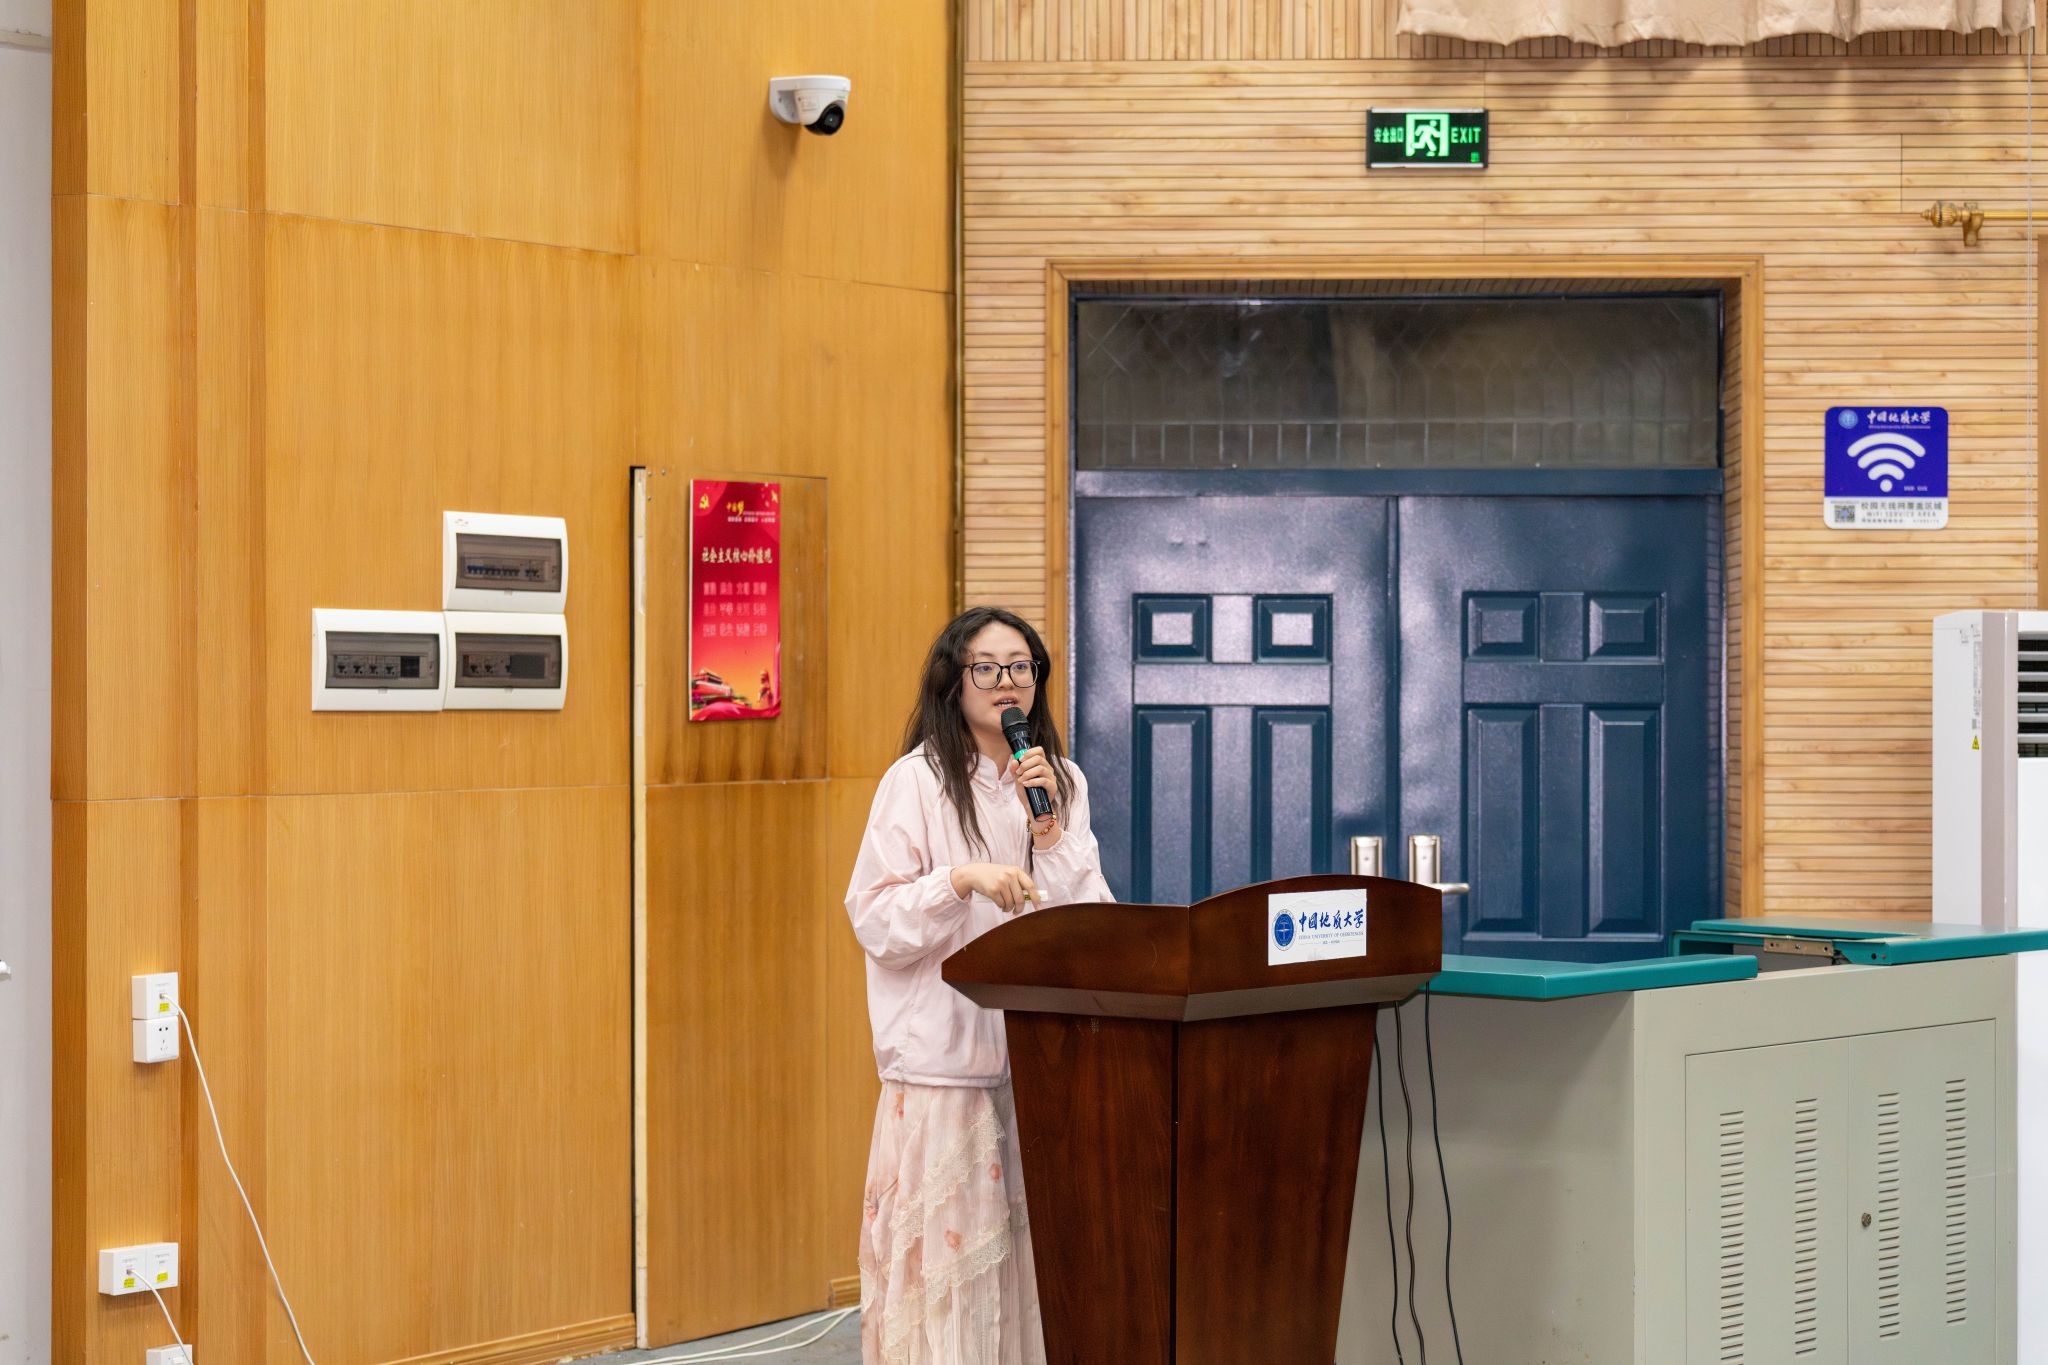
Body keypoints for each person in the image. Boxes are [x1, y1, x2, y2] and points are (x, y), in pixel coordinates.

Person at [845, 606, 1114, 1365]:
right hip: (943, 1071)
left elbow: (1090, 922)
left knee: (1026, 1276)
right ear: (954, 680)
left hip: (1034, 1063)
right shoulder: (916, 781)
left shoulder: (1060, 782)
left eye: (1021, 667)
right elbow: (874, 919)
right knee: (951, 1282)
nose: (1007, 683)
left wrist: (1049, 834)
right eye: (987, 668)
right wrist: (958, 881)